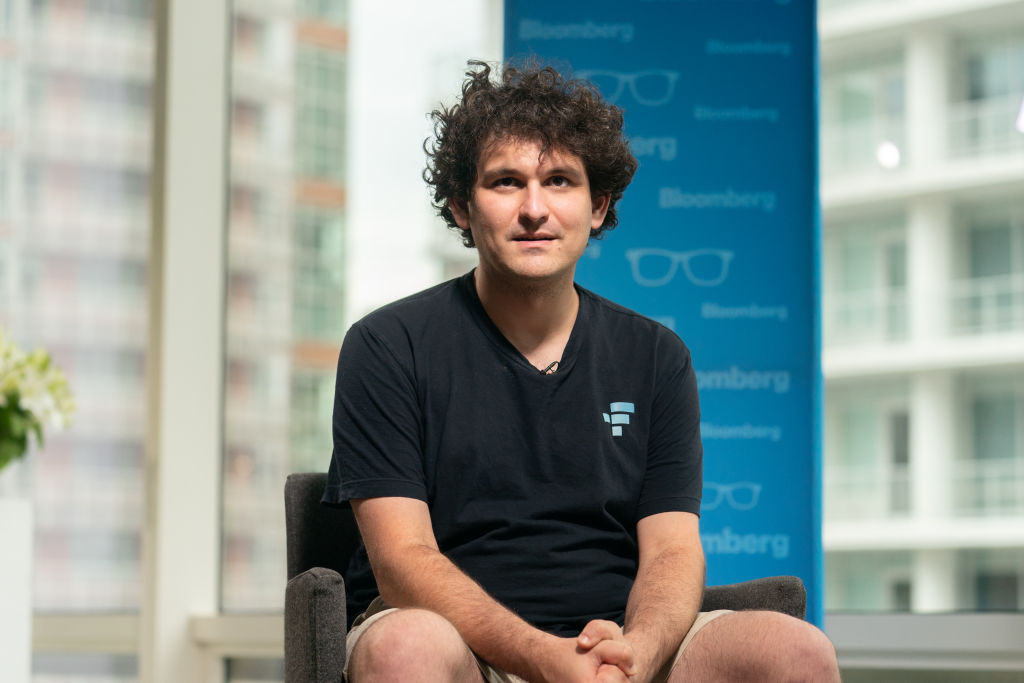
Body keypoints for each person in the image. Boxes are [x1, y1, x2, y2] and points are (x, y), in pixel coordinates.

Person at [323, 60, 840, 683]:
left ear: (598, 206)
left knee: (797, 652)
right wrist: (546, 659)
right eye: (506, 182)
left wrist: (638, 654)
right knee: (405, 648)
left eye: (561, 181)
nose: (535, 209)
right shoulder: (387, 345)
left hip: (617, 643)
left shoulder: (656, 356)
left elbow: (673, 550)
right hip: (454, 640)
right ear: (462, 207)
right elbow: (403, 560)